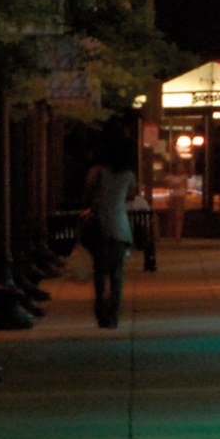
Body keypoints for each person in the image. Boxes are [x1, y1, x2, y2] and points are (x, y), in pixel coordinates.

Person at [81, 140, 138, 328]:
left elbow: (87, 195)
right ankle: (114, 312)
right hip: (120, 226)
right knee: (117, 273)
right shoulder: (128, 175)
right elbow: (131, 196)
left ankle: (100, 310)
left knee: (100, 272)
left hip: (100, 224)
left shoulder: (96, 173)